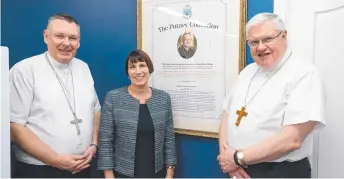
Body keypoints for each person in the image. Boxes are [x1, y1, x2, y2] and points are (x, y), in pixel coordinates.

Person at [217, 12, 326, 178]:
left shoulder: (304, 73)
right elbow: (227, 113)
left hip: (279, 172)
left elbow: (292, 139)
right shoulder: (248, 71)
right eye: (254, 42)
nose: (260, 47)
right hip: (237, 169)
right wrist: (227, 158)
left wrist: (237, 158)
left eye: (267, 39)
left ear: (284, 36)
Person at [9, 13, 101, 178]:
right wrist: (55, 159)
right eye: (59, 36)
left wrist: (94, 143)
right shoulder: (24, 70)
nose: (66, 43)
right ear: (46, 36)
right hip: (39, 171)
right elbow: (14, 126)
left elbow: (95, 108)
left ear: (78, 41)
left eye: (72, 38)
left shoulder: (83, 68)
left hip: (83, 168)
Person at [97, 49, 177, 178]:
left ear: (149, 69)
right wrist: (108, 174)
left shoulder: (163, 98)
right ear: (128, 73)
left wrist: (170, 171)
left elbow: (169, 139)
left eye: (142, 65)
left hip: (156, 172)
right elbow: (105, 140)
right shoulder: (113, 98)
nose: (138, 71)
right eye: (132, 67)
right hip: (123, 173)